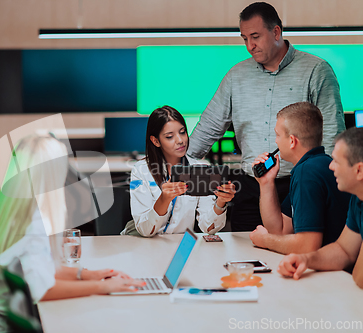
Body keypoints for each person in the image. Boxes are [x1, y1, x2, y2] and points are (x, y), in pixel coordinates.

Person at [0, 134, 145, 332]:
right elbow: (41, 289)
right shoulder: (31, 218)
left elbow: (38, 266)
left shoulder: (5, 201)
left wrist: (91, 275)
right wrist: (104, 288)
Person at [187, 2, 345, 232]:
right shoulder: (236, 75)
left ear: (276, 32)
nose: (250, 46)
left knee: (294, 254)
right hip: (251, 185)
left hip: (299, 184)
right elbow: (209, 126)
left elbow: (331, 133)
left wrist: (327, 185)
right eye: (244, 39)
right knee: (245, 252)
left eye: (255, 36)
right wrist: (177, 167)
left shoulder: (316, 70)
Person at [249, 102, 350, 254]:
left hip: (332, 274)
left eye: (277, 134)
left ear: (292, 141)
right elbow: (280, 230)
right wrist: (266, 182)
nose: (276, 141)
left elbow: (307, 246)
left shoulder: (306, 173)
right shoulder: (320, 163)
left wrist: (264, 240)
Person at [122, 105, 235, 237]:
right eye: (170, 136)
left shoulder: (199, 168)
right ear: (156, 141)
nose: (180, 140)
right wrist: (164, 199)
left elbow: (208, 229)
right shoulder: (141, 170)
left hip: (179, 246)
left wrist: (221, 202)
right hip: (143, 245)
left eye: (182, 132)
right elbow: (145, 231)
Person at [277, 127, 363, 288]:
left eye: (337, 161)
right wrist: (306, 259)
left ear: (359, 170)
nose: (331, 167)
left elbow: (360, 278)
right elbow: (344, 250)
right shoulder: (358, 199)